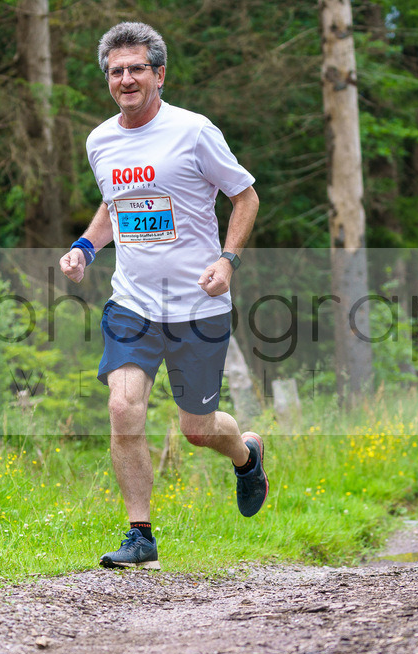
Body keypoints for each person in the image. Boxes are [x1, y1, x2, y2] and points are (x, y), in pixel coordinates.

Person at [59, 22, 267, 570]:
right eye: (115, 70)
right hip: (133, 303)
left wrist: (228, 260)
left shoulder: (194, 132)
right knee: (123, 405)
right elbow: (114, 204)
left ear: (159, 74)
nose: (125, 79)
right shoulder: (100, 140)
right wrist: (85, 247)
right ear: (108, 78)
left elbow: (245, 197)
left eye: (136, 69)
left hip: (199, 306)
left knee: (196, 430)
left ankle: (246, 455)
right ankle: (140, 534)